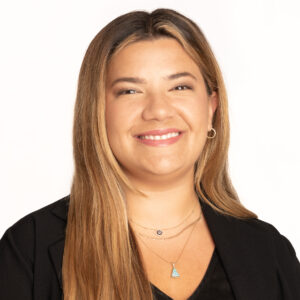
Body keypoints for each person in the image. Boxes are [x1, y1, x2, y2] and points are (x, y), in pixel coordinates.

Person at [0, 8, 299, 300]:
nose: (158, 110)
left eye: (179, 87)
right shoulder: (29, 251)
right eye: (130, 91)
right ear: (97, 113)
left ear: (211, 109)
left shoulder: (270, 253)